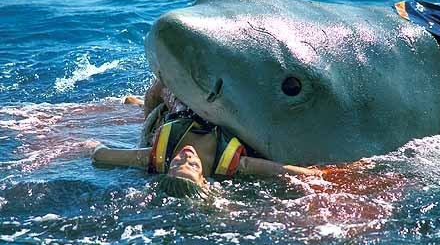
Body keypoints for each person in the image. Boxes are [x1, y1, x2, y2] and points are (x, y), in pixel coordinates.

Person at [93, 78, 322, 198]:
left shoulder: (156, 158)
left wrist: (88, 147)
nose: (185, 156)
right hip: (218, 115)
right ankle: (138, 105)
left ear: (167, 170)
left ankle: (141, 108)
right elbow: (280, 170)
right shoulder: (227, 165)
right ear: (203, 179)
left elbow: (102, 156)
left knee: (161, 86)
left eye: (177, 164)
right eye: (191, 165)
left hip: (181, 110)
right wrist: (316, 175)